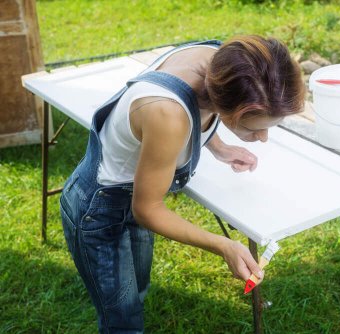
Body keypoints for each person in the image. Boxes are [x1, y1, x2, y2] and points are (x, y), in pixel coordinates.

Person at [59, 35, 305, 333]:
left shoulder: (224, 64)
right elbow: (147, 209)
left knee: (136, 289)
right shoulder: (168, 114)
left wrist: (219, 147)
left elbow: (202, 108)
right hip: (99, 211)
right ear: (228, 108)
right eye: (257, 129)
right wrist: (223, 245)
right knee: (121, 318)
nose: (263, 138)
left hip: (130, 194)